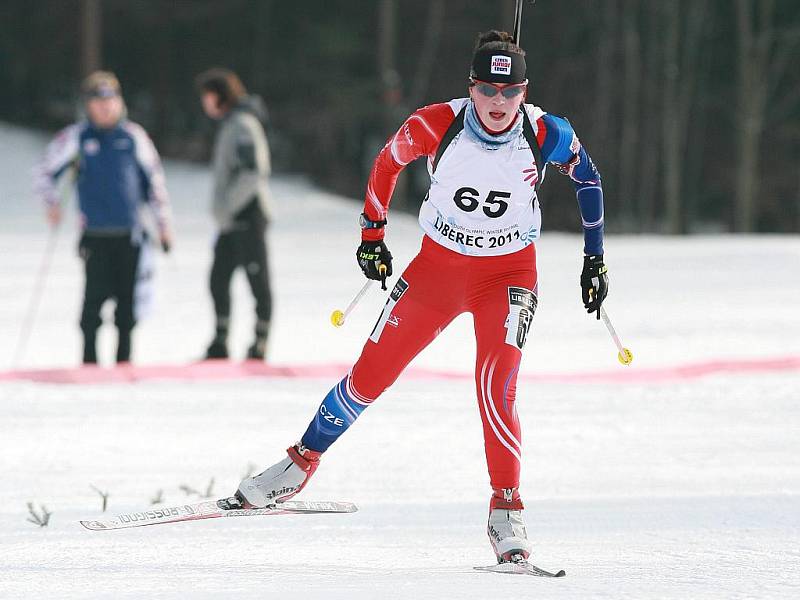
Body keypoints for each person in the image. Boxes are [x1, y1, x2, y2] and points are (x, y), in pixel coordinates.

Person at [227, 30, 609, 563]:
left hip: (508, 276)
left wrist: (595, 258)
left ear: (524, 91)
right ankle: (298, 464)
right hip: (436, 270)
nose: (498, 104)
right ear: (471, 87)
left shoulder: (546, 131)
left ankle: (507, 509)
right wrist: (372, 236)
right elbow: (387, 163)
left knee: (496, 385)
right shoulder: (437, 122)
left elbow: (588, 180)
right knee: (371, 373)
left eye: (510, 92)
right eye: (488, 91)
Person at [34, 71, 173, 365]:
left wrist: (163, 225)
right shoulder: (76, 137)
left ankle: (124, 361)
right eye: (98, 102)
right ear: (88, 105)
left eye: (110, 101)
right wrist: (52, 203)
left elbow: (155, 183)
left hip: (129, 234)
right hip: (96, 235)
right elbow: (43, 172)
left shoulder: (134, 137)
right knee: (93, 303)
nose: (105, 108)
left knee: (127, 303)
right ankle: (89, 362)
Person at [196, 68, 273, 361]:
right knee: (218, 278)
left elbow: (254, 172)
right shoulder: (230, 124)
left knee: (257, 279)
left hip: (248, 215)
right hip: (230, 220)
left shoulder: (242, 124)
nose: (204, 103)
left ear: (220, 96)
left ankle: (260, 341)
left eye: (207, 96)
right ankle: (220, 339)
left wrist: (228, 206)